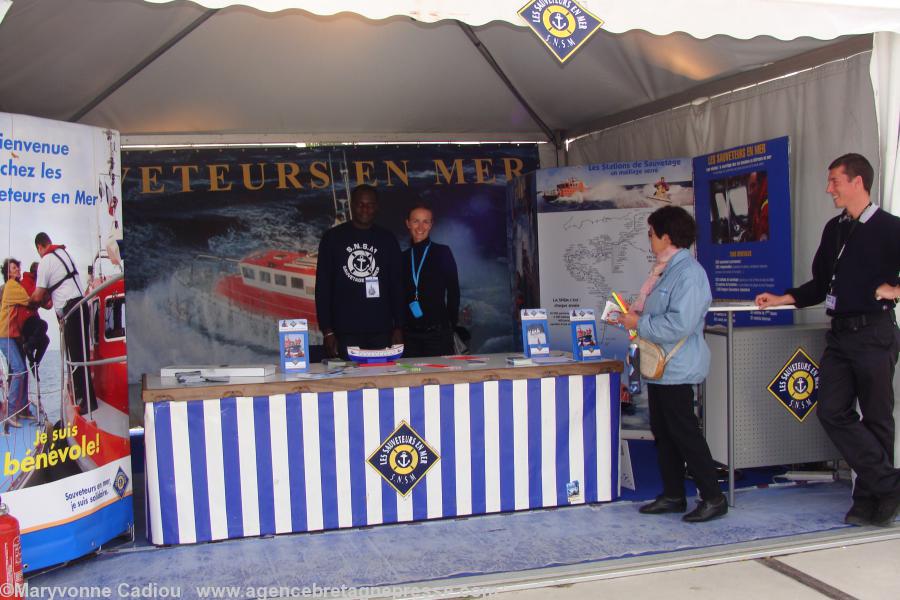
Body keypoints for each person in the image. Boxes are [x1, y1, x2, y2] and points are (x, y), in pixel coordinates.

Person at [755, 153, 900, 527]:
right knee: (831, 411)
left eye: (834, 180)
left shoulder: (890, 227)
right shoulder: (834, 229)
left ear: (857, 182)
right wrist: (784, 298)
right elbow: (820, 285)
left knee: (877, 417)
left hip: (874, 333)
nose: (828, 188)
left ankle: (875, 499)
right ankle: (888, 483)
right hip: (840, 336)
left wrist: (895, 289)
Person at [617, 206, 727, 522]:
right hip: (662, 368)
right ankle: (673, 494)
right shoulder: (665, 271)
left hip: (677, 367)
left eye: (651, 234)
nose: (648, 239)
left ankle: (712, 497)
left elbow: (679, 324)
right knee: (664, 431)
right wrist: (633, 319)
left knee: (684, 431)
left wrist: (640, 322)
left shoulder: (689, 274)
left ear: (666, 236)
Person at [315, 184, 405, 359]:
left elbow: (397, 286)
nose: (365, 209)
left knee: (382, 381)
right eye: (360, 204)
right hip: (344, 332)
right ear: (352, 205)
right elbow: (323, 287)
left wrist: (399, 327)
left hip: (382, 332)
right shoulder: (332, 238)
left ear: (377, 207)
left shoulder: (387, 239)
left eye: (370, 204)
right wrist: (327, 331)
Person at [29, 232, 96, 412]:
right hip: (81, 307)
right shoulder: (65, 255)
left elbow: (38, 295)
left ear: (39, 247)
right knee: (82, 356)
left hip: (71, 311)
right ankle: (90, 401)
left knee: (75, 359)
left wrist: (25, 302)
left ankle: (84, 404)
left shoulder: (45, 260)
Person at [401, 205, 460, 357]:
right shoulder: (402, 257)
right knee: (411, 380)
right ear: (408, 223)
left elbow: (454, 292)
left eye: (426, 221)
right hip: (409, 337)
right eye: (416, 221)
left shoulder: (443, 252)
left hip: (438, 335)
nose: (420, 227)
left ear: (431, 224)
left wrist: (450, 326)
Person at [1, 258, 29, 428]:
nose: (18, 269)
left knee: (21, 370)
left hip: (9, 335)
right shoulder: (12, 285)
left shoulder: (13, 286)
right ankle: (11, 413)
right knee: (19, 370)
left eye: (18, 267)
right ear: (8, 273)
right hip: (5, 335)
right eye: (14, 268)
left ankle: (22, 408)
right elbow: (28, 300)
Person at [18, 262, 50, 368]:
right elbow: (37, 298)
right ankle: (28, 346)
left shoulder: (35, 283)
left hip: (32, 319)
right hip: (25, 320)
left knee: (45, 340)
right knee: (43, 325)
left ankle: (34, 363)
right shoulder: (26, 282)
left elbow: (46, 304)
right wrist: (48, 291)